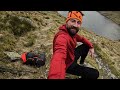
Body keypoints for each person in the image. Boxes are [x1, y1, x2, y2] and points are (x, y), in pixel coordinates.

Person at [48, 11, 99, 79]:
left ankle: (81, 62)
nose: (75, 25)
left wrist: (91, 46)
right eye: (73, 21)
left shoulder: (72, 34)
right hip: (68, 65)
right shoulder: (62, 37)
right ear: (67, 21)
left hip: (72, 56)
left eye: (78, 22)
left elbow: (82, 39)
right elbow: (59, 56)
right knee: (95, 74)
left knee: (86, 46)